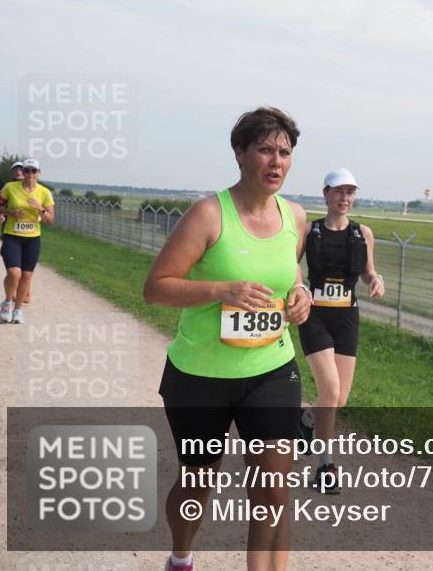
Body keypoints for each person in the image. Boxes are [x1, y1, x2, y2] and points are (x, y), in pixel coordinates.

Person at [143, 107, 312, 571]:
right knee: (197, 482)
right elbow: (155, 288)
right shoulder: (208, 214)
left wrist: (301, 294)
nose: (276, 162)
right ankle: (181, 556)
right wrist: (221, 291)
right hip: (200, 376)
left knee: (273, 487)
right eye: (265, 150)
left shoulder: (295, 217)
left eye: (285, 152)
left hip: (271, 369)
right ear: (239, 153)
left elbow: (290, 274)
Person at [298, 167, 385, 493]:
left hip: (347, 317)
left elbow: (368, 271)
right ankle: (326, 466)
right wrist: (298, 288)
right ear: (326, 194)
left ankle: (306, 420)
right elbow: (292, 264)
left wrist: (376, 279)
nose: (344, 197)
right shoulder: (310, 230)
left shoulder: (363, 233)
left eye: (350, 192)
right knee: (331, 391)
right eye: (338, 191)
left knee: (339, 398)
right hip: (315, 315)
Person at [0, 159, 54, 324]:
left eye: (33, 171)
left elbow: (50, 220)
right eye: (27, 170)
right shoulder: (10, 187)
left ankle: (18, 310)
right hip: (12, 236)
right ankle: (7, 303)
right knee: (14, 273)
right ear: (23, 172)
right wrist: (10, 212)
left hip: (32, 239)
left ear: (38, 173)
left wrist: (40, 209)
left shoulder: (44, 192)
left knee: (26, 276)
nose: (30, 174)